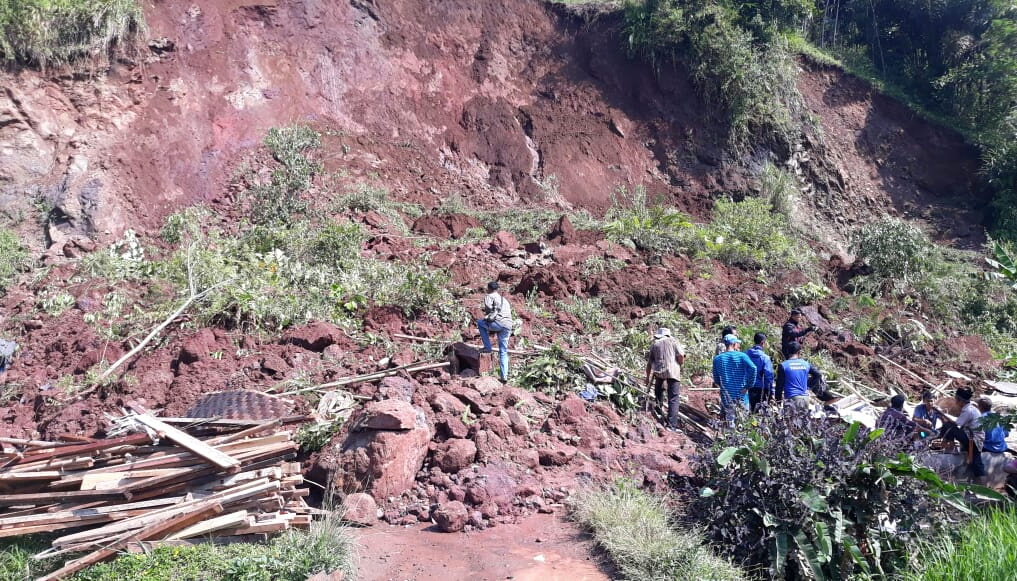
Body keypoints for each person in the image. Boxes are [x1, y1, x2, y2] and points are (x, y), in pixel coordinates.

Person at [940, 387, 986, 481]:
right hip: (974, 438)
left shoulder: (968, 411)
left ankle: (949, 447)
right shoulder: (972, 409)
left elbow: (957, 423)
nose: (955, 402)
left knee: (949, 426)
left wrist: (944, 416)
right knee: (975, 463)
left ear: (961, 401)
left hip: (973, 440)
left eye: (956, 399)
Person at [645, 327, 686, 432]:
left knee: (658, 392)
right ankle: (671, 426)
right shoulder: (674, 341)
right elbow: (681, 355)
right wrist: (680, 364)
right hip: (673, 372)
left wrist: (647, 377)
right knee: (673, 398)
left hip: (659, 372)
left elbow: (649, 363)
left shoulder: (655, 344)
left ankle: (659, 413)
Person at [713, 334, 757, 427]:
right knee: (743, 422)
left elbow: (716, 377)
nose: (738, 345)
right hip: (741, 393)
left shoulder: (717, 359)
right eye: (737, 343)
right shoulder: (742, 356)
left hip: (726, 395)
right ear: (733, 344)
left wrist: (722, 385)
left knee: (730, 421)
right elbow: (753, 368)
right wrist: (749, 385)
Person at [476, 281, 513, 382]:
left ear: (489, 288)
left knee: (480, 323)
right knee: (503, 351)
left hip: (498, 323)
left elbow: (488, 310)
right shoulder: (504, 300)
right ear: (497, 289)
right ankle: (504, 376)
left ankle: (487, 347)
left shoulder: (489, 296)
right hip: (508, 325)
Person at [775, 342, 822, 409]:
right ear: (799, 352)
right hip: (805, 399)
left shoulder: (784, 365)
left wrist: (778, 401)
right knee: (804, 419)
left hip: (791, 400)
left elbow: (779, 385)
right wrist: (809, 387)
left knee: (790, 419)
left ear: (787, 352)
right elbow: (818, 374)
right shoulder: (806, 364)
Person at [744, 332, 775, 412]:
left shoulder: (745, 354)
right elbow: (768, 375)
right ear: (763, 343)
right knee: (760, 414)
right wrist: (771, 392)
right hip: (761, 390)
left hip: (746, 388)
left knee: (747, 413)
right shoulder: (765, 358)